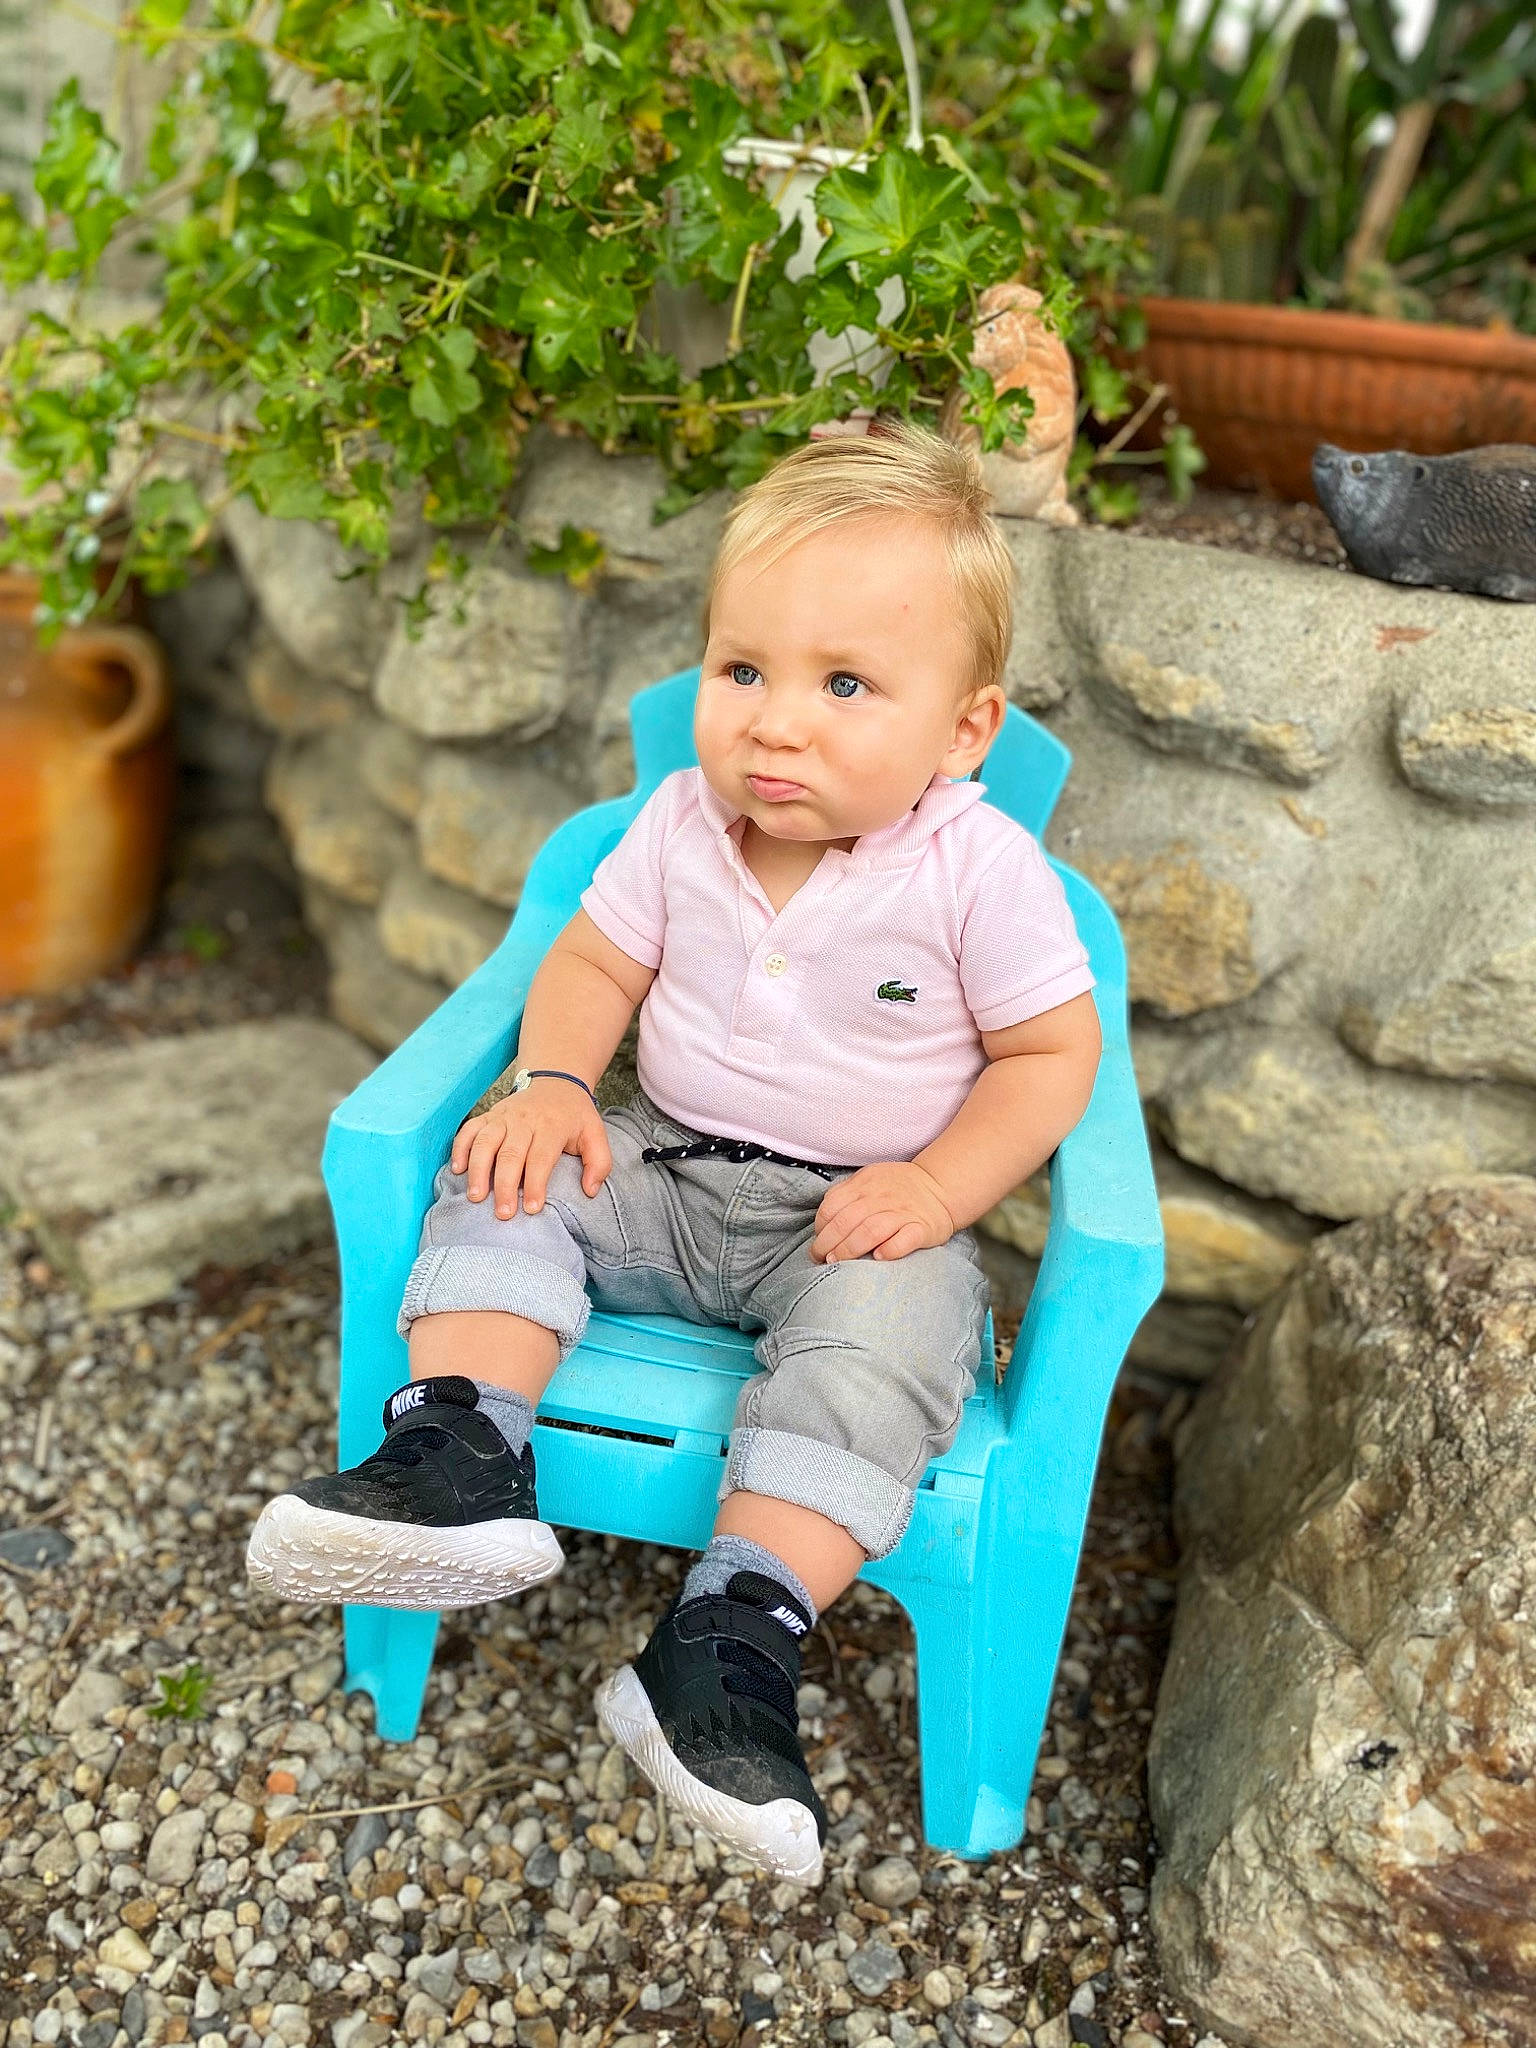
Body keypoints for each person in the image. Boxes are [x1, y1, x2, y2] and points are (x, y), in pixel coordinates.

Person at [246, 419, 1102, 1886]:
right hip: (661, 1160)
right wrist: (558, 1082)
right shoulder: (679, 820)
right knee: (511, 1170)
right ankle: (457, 1456)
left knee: (901, 1325)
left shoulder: (982, 872)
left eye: (845, 686)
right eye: (744, 671)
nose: (778, 722)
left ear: (965, 731)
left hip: (850, 1221)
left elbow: (1050, 1060)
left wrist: (941, 1190)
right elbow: (587, 960)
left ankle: (725, 1645)